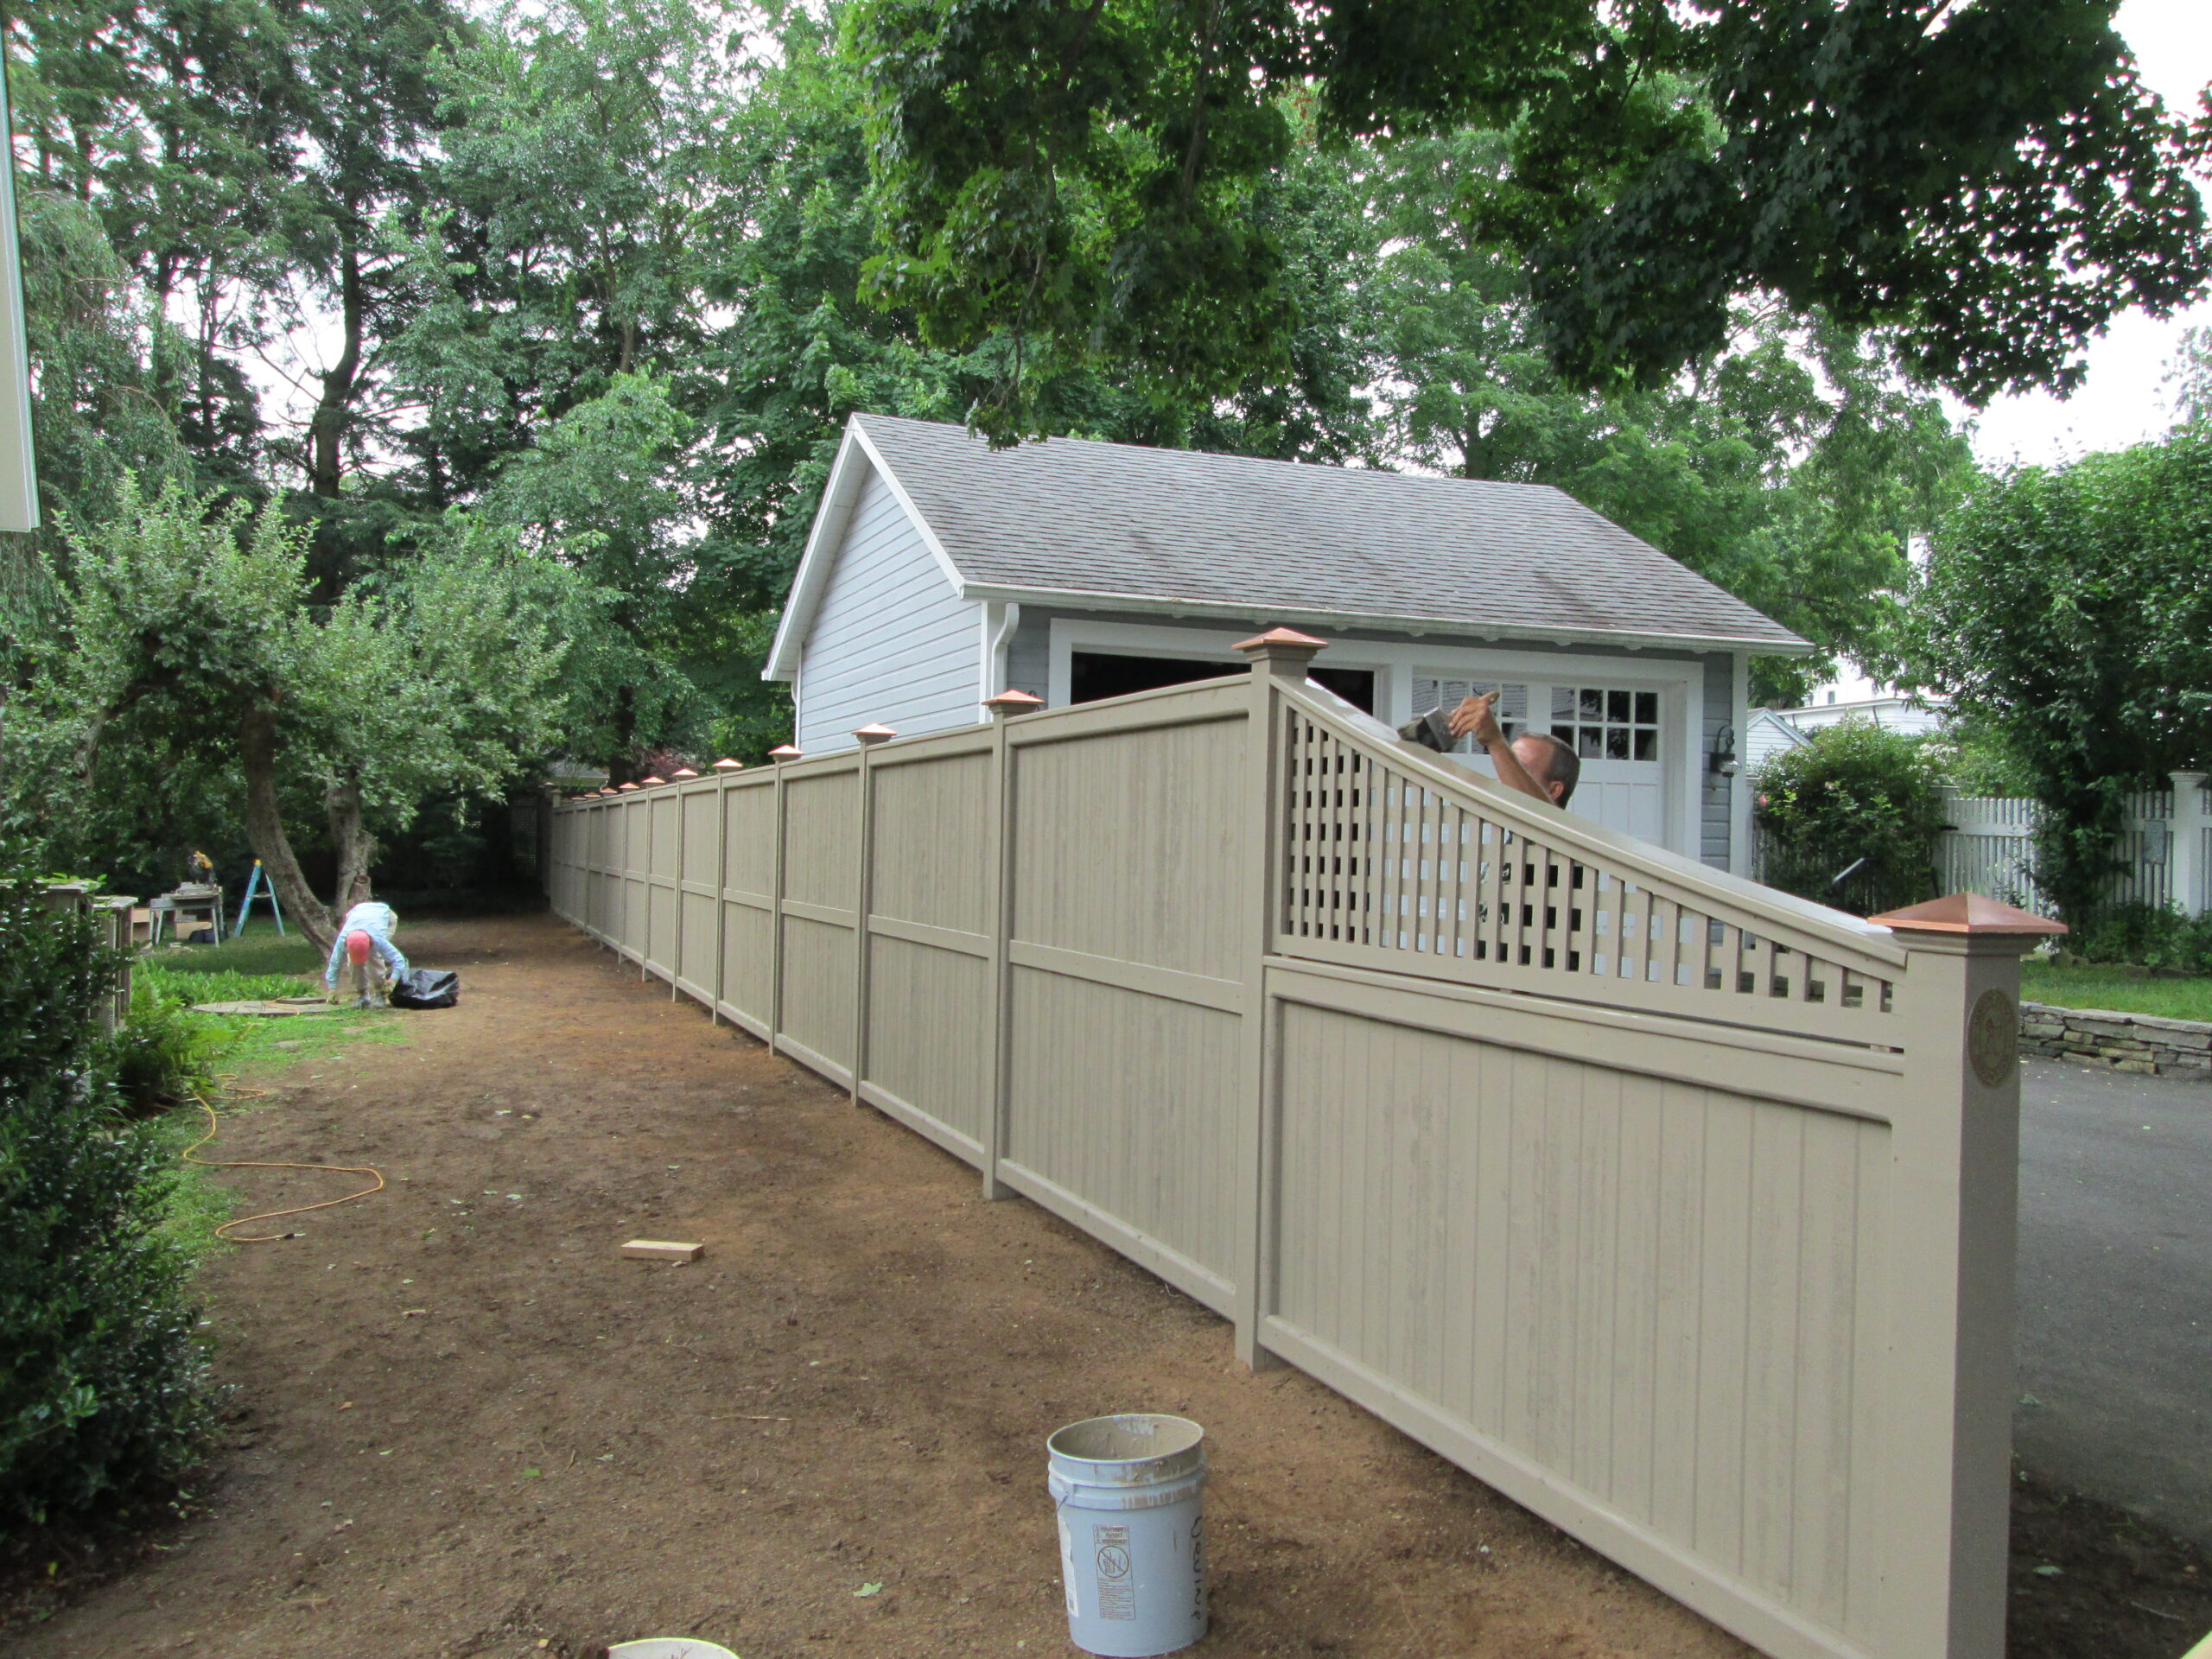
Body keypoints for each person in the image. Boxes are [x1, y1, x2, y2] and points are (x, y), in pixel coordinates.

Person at [1447, 690, 1581, 808]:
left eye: (1519, 767)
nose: (1503, 777)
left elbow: (1536, 815)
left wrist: (1496, 742)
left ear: (1553, 790)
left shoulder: (1553, 836)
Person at [324, 899, 408, 1003]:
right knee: (355, 964)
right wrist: (332, 989)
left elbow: (399, 960)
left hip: (386, 916)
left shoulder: (378, 939)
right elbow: (335, 963)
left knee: (374, 956)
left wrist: (392, 981)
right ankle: (362, 994)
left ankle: (380, 991)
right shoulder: (343, 939)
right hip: (357, 913)